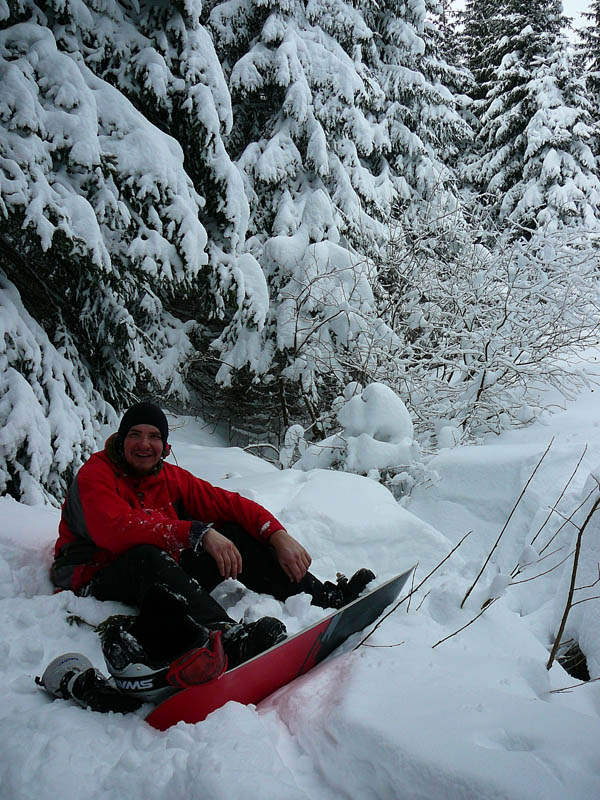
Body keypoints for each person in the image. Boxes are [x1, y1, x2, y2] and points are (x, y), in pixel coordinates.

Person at [49, 402, 375, 705]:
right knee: (146, 553)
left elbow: (230, 505)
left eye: (153, 437)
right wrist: (196, 533)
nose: (144, 444)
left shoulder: (170, 477)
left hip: (158, 571)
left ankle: (321, 595)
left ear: (166, 447)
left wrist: (276, 535)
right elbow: (115, 530)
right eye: (135, 435)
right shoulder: (95, 475)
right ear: (120, 441)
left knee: (231, 532)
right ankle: (226, 637)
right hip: (95, 574)